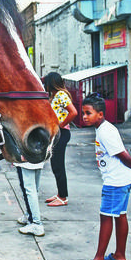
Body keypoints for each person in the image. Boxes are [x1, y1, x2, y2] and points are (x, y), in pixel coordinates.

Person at [79, 93, 131, 260]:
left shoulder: (106, 132)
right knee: (120, 214)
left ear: (100, 114)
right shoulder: (103, 129)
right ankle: (119, 256)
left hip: (116, 181)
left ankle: (99, 259)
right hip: (122, 178)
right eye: (83, 113)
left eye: (88, 113)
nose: (84, 116)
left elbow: (122, 154)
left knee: (106, 216)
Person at [43, 72, 78, 207]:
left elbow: (73, 112)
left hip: (61, 133)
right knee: (55, 165)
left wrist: (61, 125)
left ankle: (63, 197)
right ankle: (60, 194)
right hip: (57, 133)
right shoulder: (55, 96)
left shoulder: (61, 95)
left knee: (58, 166)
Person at [15, 161, 46, 236]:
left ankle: (35, 223)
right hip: (38, 157)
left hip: (25, 159)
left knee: (29, 191)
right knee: (33, 189)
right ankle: (30, 215)